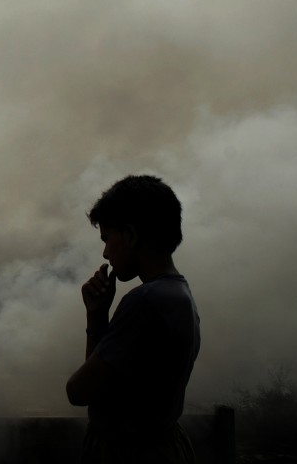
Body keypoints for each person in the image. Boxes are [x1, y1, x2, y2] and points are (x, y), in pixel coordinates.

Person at [66, 175, 200, 464]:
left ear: (129, 235)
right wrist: (98, 313)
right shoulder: (179, 293)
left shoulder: (145, 301)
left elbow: (79, 391)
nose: (105, 252)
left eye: (107, 239)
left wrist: (96, 317)